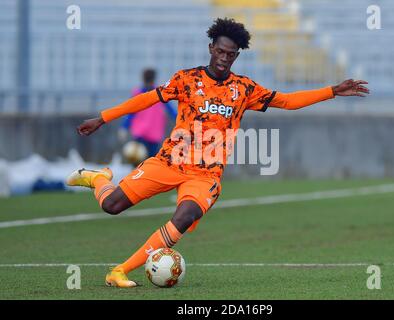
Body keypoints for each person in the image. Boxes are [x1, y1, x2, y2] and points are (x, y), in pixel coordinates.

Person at [66, 18, 369, 288]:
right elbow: (146, 99)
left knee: (184, 217)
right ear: (211, 47)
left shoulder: (244, 88)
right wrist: (103, 118)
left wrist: (331, 90)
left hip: (205, 175)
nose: (224, 59)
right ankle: (98, 179)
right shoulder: (186, 80)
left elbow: (287, 101)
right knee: (112, 205)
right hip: (169, 162)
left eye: (231, 54)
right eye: (220, 52)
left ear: (237, 55)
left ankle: (119, 271)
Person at [119, 68, 177, 159]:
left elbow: (130, 112)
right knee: (145, 160)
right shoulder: (159, 92)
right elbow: (171, 110)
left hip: (148, 134)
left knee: (143, 160)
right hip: (146, 134)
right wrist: (124, 127)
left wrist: (125, 127)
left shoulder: (155, 93)